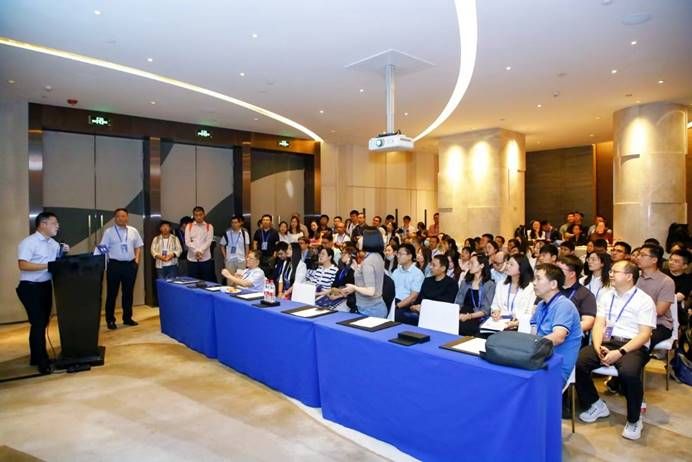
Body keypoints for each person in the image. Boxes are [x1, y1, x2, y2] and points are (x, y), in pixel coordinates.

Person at [575, 260, 656, 440]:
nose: (610, 274)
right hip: (607, 342)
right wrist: (597, 347)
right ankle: (596, 404)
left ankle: (634, 419)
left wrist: (620, 353)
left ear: (629, 276)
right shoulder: (606, 295)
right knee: (578, 362)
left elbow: (644, 334)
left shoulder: (644, 300)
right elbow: (599, 323)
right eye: (610, 271)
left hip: (632, 346)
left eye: (614, 271)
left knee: (629, 373)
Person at [16, 211, 69, 374]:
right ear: (43, 224)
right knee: (38, 323)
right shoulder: (29, 242)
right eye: (54, 223)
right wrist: (48, 265)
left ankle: (36, 356)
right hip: (30, 287)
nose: (57, 226)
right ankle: (42, 361)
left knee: (42, 323)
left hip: (45, 286)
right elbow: (23, 265)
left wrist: (63, 252)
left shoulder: (53, 243)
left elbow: (57, 262)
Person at [531, 263, 582, 384]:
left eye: (538, 279)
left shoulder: (564, 305)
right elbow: (533, 334)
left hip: (555, 368)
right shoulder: (541, 305)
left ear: (553, 284)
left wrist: (531, 346)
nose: (534, 283)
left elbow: (558, 337)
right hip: (538, 360)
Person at [96, 208, 144, 330]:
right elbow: (103, 247)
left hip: (130, 265)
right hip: (114, 265)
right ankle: (110, 320)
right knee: (112, 293)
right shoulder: (109, 232)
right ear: (115, 218)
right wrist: (104, 259)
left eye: (123, 216)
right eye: (118, 216)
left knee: (128, 293)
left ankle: (127, 318)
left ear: (127, 217)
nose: (121, 218)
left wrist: (136, 261)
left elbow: (138, 246)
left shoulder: (133, 231)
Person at [636, 243, 676, 350]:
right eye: (638, 254)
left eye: (643, 255)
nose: (638, 257)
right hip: (635, 320)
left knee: (640, 343)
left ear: (654, 260)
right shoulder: (634, 277)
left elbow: (659, 311)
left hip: (658, 324)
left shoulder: (666, 281)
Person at [342, 228, 387, 318]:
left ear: (369, 240)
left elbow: (370, 291)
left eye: (362, 236)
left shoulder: (368, 261)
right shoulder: (377, 256)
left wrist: (354, 287)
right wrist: (358, 269)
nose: (358, 239)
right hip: (376, 307)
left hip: (369, 310)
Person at [557, 255, 597, 345]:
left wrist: (563, 330)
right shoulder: (550, 288)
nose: (554, 272)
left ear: (572, 274)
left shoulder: (585, 294)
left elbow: (588, 322)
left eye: (559, 270)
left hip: (569, 338)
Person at [407, 255, 459, 324]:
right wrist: (414, 307)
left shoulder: (452, 284)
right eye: (431, 264)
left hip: (439, 317)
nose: (430, 267)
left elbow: (445, 305)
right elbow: (418, 300)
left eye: (434, 265)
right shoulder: (427, 281)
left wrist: (424, 308)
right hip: (420, 313)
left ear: (443, 268)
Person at [455, 254, 497, 336]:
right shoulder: (465, 282)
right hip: (462, 314)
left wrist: (469, 316)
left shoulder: (489, 285)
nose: (469, 265)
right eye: (469, 263)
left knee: (466, 328)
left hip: (478, 317)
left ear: (481, 265)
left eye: (472, 263)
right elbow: (458, 302)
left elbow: (485, 310)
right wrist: (457, 314)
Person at [491, 254, 535, 324]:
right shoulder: (501, 284)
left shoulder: (530, 288)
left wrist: (516, 322)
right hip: (500, 322)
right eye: (507, 263)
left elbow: (528, 312)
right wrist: (495, 311)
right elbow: (495, 304)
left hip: (519, 324)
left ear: (521, 268)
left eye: (511, 264)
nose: (507, 266)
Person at [392, 243, 426, 325]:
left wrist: (397, 306)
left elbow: (413, 297)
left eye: (401, 254)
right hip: (392, 301)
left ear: (410, 256)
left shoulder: (417, 274)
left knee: (395, 315)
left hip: (405, 305)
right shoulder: (396, 271)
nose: (398, 256)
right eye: (397, 254)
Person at [185, 206, 215, 282]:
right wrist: (196, 251)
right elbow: (187, 241)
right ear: (193, 216)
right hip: (192, 259)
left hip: (205, 258)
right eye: (196, 215)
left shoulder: (209, 226)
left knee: (207, 281)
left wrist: (200, 251)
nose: (198, 217)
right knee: (192, 281)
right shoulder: (189, 226)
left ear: (204, 214)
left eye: (200, 215)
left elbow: (209, 241)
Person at [664, 248, 692, 328]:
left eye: (676, 261)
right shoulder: (662, 273)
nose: (671, 263)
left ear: (685, 266)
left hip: (674, 309)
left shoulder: (688, 280)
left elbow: (679, 297)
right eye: (671, 259)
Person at [219, 215, 251, 281]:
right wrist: (225, 256)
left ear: (240, 223)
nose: (234, 224)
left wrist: (246, 257)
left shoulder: (244, 233)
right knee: (230, 279)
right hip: (230, 259)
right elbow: (222, 245)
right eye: (232, 222)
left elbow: (247, 246)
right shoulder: (227, 233)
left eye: (236, 222)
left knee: (241, 279)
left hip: (241, 259)